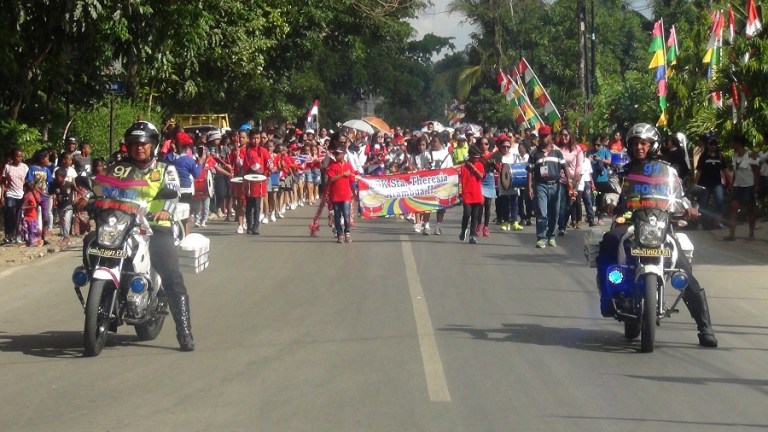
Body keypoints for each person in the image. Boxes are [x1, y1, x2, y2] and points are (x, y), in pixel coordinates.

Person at [595, 123, 717, 348]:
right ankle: (606, 294)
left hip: (660, 224)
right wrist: (610, 201)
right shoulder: (623, 169)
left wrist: (689, 207)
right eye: (635, 143)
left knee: (683, 268)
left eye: (644, 143)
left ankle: (705, 327)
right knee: (610, 240)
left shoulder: (667, 170)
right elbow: (612, 190)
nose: (639, 147)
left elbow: (679, 195)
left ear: (653, 145)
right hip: (630, 221)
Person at [86, 121, 195, 351]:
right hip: (122, 224)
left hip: (156, 226)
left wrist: (165, 209)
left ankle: (184, 331)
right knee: (91, 242)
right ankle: (104, 296)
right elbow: (102, 187)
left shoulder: (166, 169)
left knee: (171, 274)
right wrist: (90, 200)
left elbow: (172, 194)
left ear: (153, 145)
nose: (139, 148)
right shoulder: (118, 168)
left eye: (144, 144)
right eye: (134, 144)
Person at [527, 125, 570, 248]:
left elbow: (565, 167)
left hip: (556, 185)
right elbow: (530, 171)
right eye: (542, 136)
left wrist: (570, 182)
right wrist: (529, 187)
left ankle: (551, 236)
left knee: (554, 213)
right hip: (541, 185)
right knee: (542, 213)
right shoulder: (534, 153)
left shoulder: (557, 152)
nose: (544, 138)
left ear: (550, 137)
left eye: (546, 136)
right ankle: (541, 237)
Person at [726, 134, 760, 241]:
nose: (732, 145)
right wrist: (732, 183)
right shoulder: (734, 157)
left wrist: (757, 185)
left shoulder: (750, 155)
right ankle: (732, 234)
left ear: (738, 144)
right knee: (733, 208)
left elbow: (756, 171)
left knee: (750, 210)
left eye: (733, 143)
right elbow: (735, 172)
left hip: (749, 186)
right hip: (738, 187)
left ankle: (751, 233)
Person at [420, 135, 453, 235]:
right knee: (427, 206)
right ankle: (426, 226)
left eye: (435, 142)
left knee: (440, 207)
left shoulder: (446, 154)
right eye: (432, 141)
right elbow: (421, 167)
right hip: (428, 184)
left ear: (441, 143)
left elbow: (450, 169)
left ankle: (438, 226)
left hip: (442, 184)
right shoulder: (426, 153)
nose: (433, 143)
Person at [694, 137, 728, 228]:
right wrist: (696, 184)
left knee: (720, 203)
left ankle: (717, 222)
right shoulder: (703, 157)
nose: (713, 146)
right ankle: (700, 223)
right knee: (702, 204)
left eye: (715, 144)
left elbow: (725, 170)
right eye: (711, 144)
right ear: (707, 146)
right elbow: (699, 171)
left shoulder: (720, 156)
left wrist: (731, 181)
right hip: (704, 184)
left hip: (717, 184)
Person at [326, 145, 355, 243]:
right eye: (335, 154)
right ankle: (340, 234)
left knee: (346, 215)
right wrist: (343, 174)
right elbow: (332, 179)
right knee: (337, 215)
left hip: (346, 195)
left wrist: (354, 193)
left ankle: (347, 233)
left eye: (338, 154)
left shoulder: (349, 166)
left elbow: (352, 180)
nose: (336, 155)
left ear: (343, 154)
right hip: (335, 195)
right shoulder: (332, 166)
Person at [556, 128, 583, 236]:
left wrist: (575, 180)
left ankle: (564, 222)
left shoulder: (577, 149)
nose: (564, 137)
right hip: (560, 180)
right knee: (562, 204)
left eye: (566, 135)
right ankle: (561, 226)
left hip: (573, 180)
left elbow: (579, 166)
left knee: (570, 205)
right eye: (562, 135)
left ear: (570, 136)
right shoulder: (557, 149)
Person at [459, 146, 485, 244]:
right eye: (475, 157)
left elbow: (481, 176)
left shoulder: (479, 165)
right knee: (467, 213)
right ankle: (463, 229)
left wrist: (473, 167)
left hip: (477, 193)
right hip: (467, 194)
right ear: (470, 156)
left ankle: (472, 235)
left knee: (475, 215)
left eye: (478, 157)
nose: (477, 159)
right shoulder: (462, 167)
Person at [2, 149, 28, 244]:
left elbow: (28, 181)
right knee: (10, 212)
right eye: (17, 156)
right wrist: (2, 196)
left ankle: (18, 235)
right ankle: (9, 234)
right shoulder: (8, 167)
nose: (19, 158)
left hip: (21, 194)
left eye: (21, 156)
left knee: (19, 216)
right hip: (10, 194)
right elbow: (3, 182)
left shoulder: (25, 167)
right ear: (13, 157)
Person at [586, 135, 612, 225]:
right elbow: (585, 162)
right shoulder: (589, 151)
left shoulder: (605, 150)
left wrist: (601, 159)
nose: (596, 147)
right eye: (595, 145)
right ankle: (590, 217)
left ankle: (600, 218)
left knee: (601, 199)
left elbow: (609, 161)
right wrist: (588, 160)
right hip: (592, 180)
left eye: (598, 145)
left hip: (602, 180)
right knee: (591, 198)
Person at [50, 167, 74, 243]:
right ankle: (63, 234)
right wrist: (54, 196)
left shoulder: (69, 184)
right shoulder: (54, 185)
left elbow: (76, 190)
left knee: (67, 220)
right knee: (62, 221)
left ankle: (66, 236)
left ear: (63, 177)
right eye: (56, 176)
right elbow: (52, 192)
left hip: (68, 205)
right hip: (60, 206)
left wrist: (76, 197)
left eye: (58, 177)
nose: (56, 178)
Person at [19, 181, 42, 246]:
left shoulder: (30, 195)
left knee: (32, 231)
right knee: (26, 230)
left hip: (31, 215)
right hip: (27, 215)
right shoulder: (26, 194)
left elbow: (34, 205)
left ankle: (33, 242)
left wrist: (25, 207)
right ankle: (29, 242)